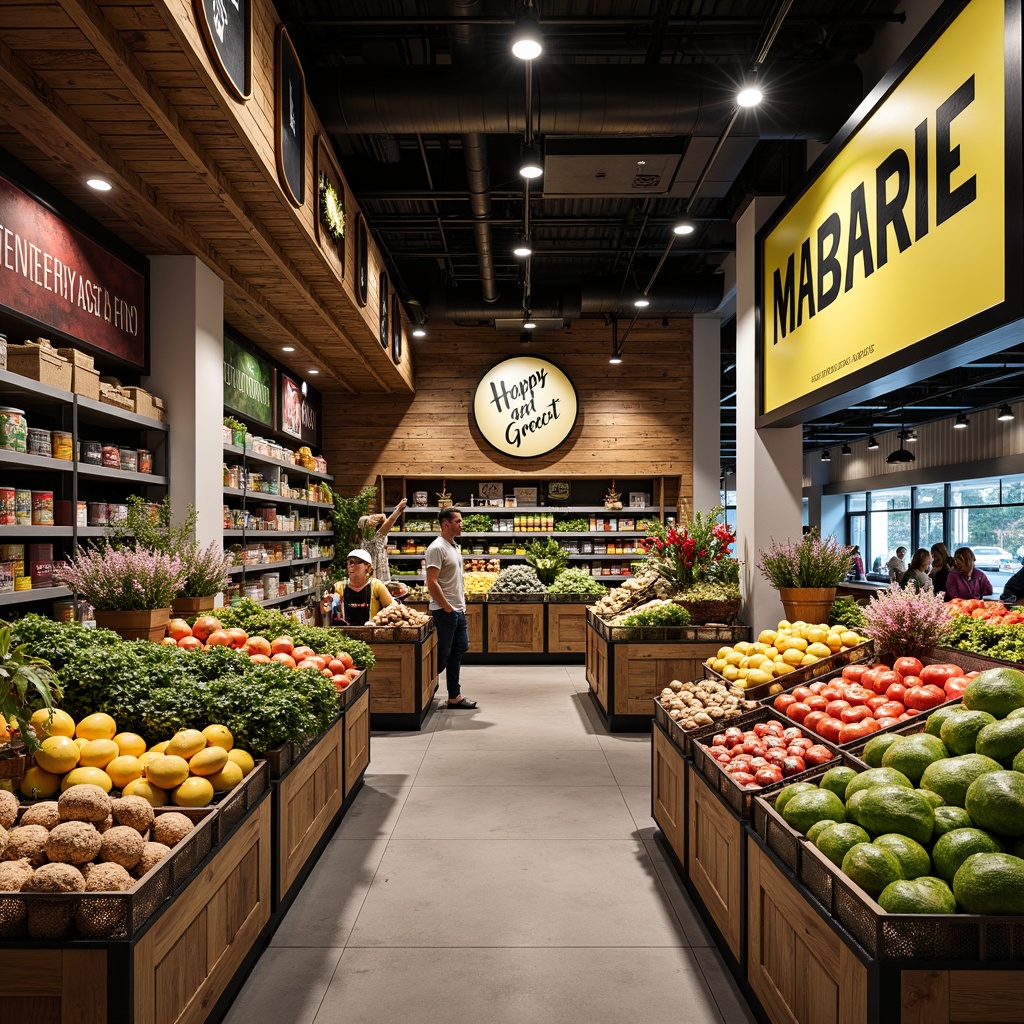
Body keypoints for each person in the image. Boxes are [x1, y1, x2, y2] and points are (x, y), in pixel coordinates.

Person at [425, 507, 477, 709]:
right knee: (441, 657)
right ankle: (422, 688)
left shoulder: (454, 546)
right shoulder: (436, 548)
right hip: (445, 611)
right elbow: (432, 582)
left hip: (457, 610)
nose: (461, 524)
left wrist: (458, 607)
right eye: (458, 521)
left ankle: (454, 695)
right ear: (446, 524)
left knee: (459, 649)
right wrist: (447, 607)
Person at [322, 549, 393, 625]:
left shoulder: (376, 585)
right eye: (349, 562)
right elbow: (328, 610)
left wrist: (379, 618)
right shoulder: (339, 586)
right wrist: (328, 602)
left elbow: (392, 606)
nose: (350, 565)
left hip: (370, 632)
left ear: (367, 566)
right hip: (344, 633)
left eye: (354, 562)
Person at [357, 497, 408, 584]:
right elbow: (390, 522)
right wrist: (398, 510)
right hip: (379, 578)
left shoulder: (363, 540)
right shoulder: (377, 539)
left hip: (366, 578)